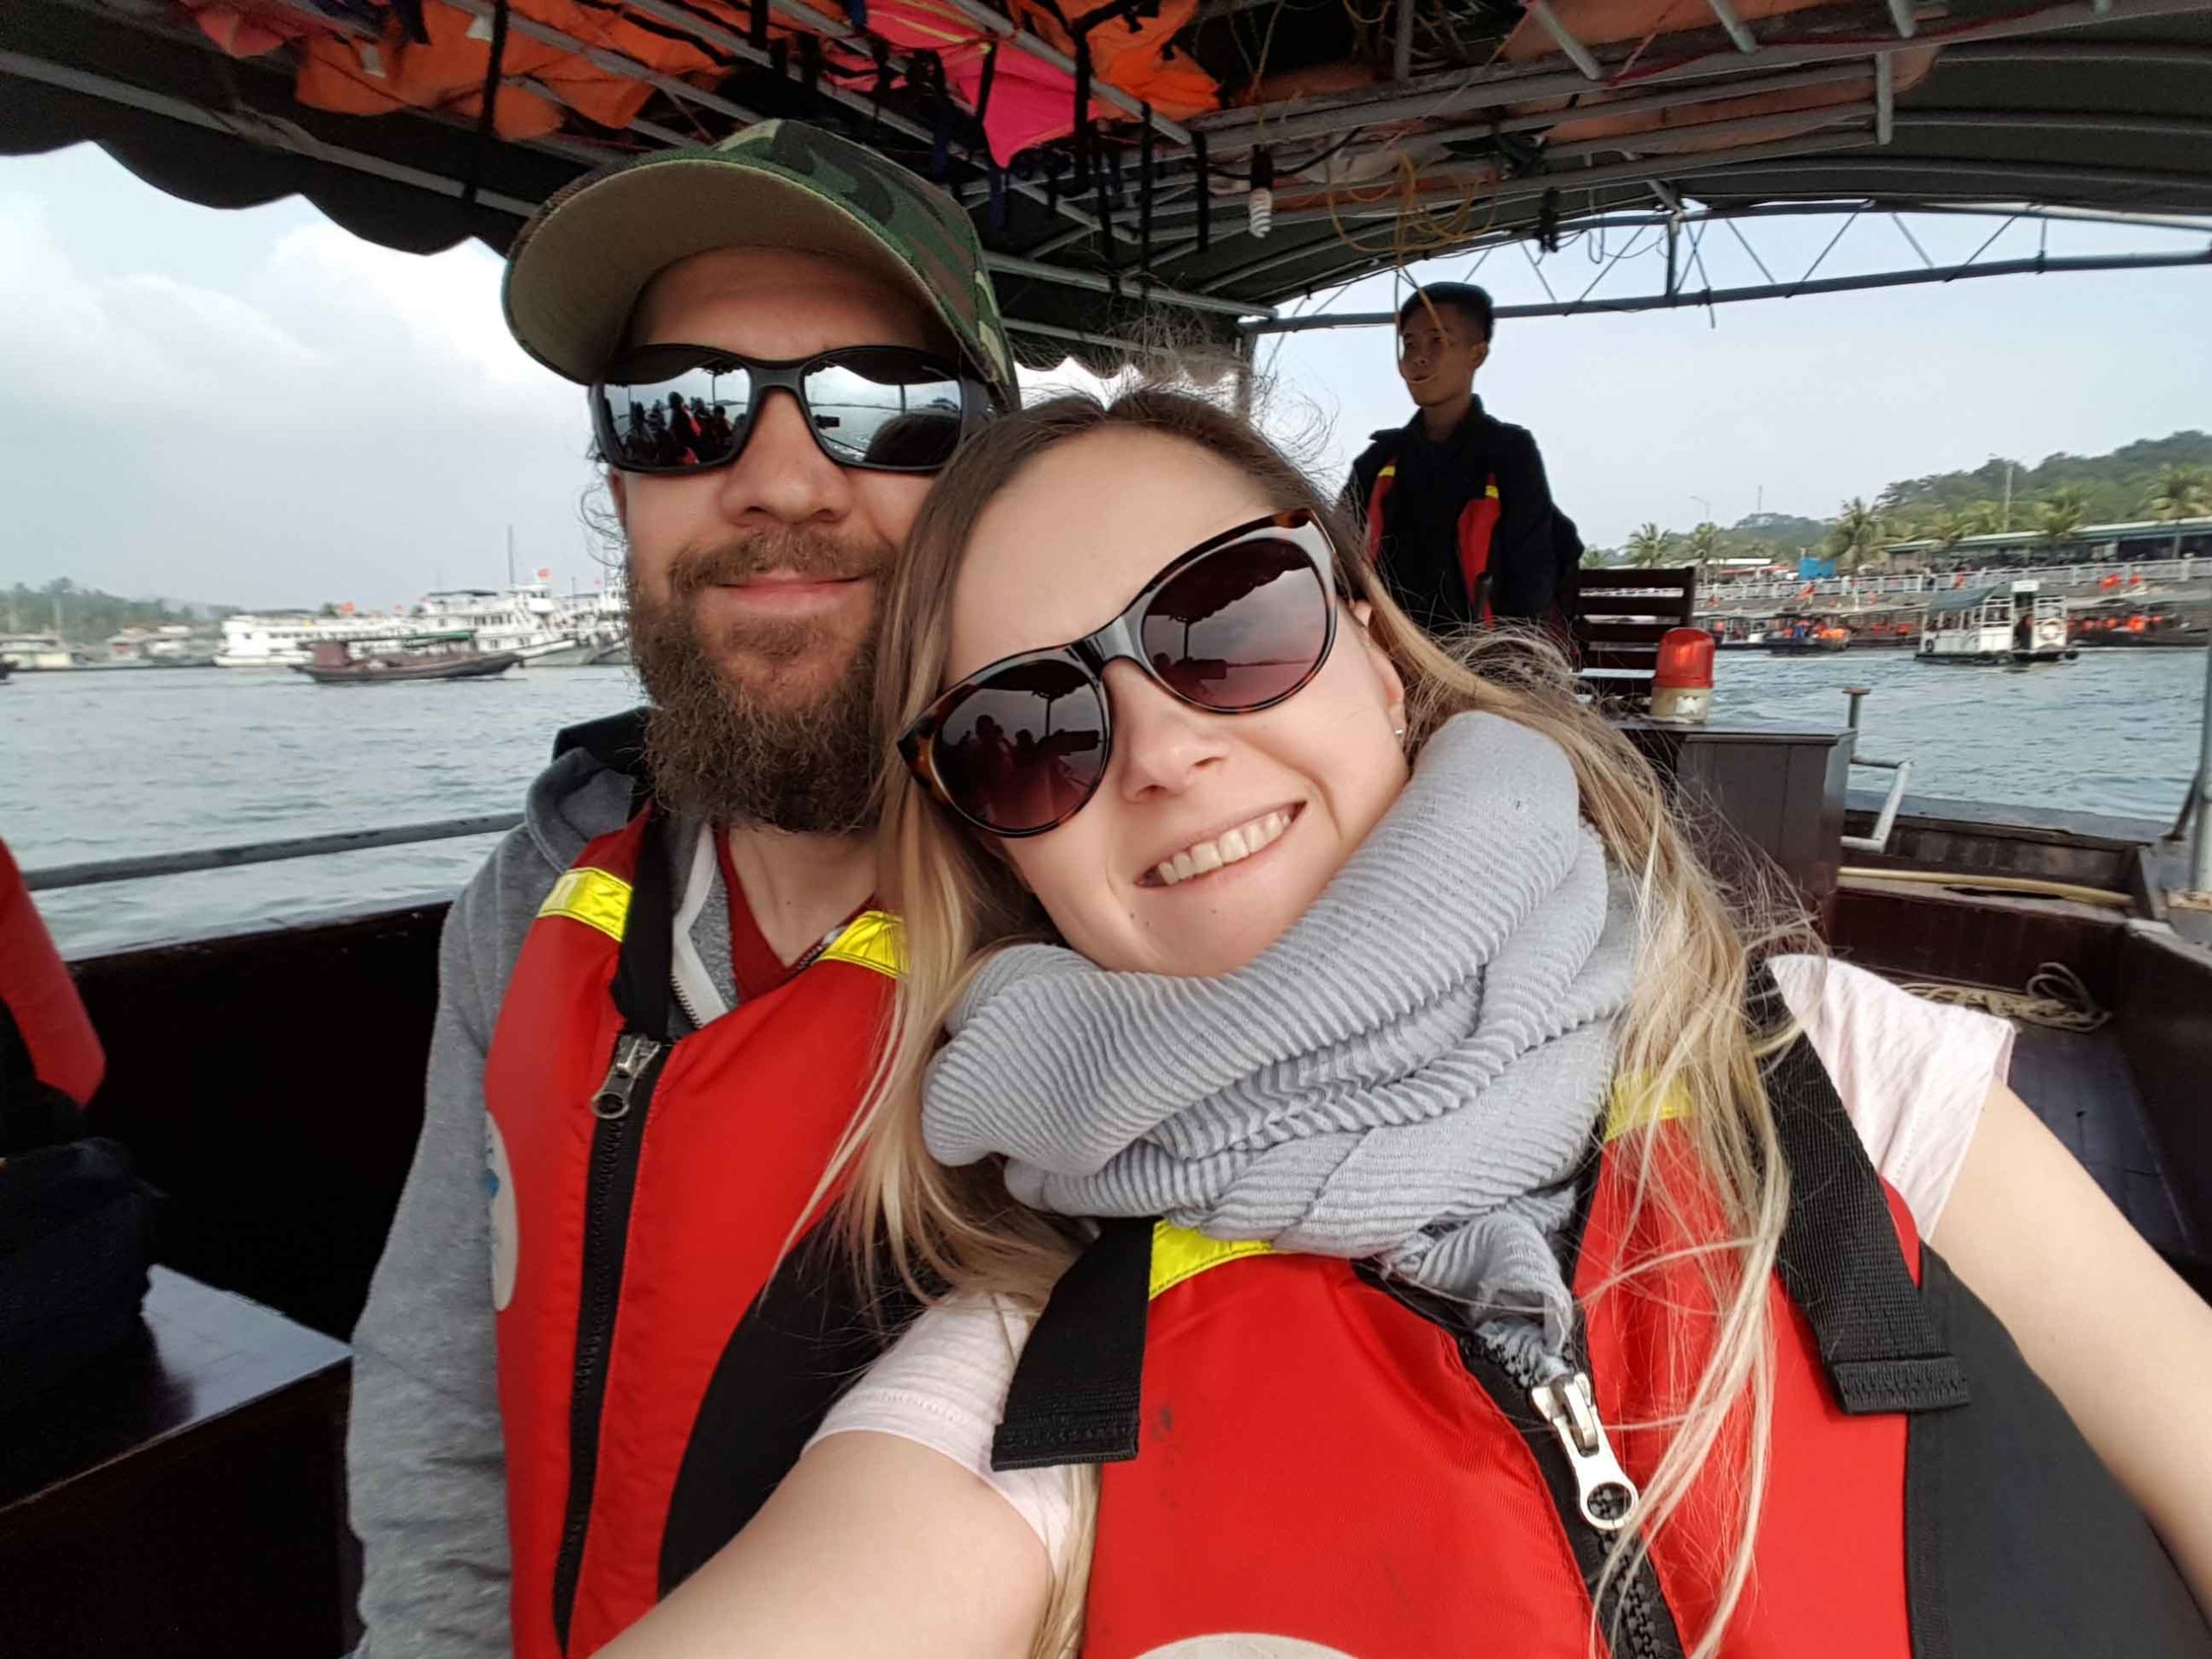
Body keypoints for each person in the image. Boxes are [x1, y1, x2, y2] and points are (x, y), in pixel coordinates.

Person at [601, 388, 2212, 1659]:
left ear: (1376, 650)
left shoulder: (1840, 1069)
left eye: (1228, 623)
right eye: (1035, 730)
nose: (1162, 750)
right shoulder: (1018, 1393)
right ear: (996, 849)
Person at [344, 119, 1018, 1659]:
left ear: (991, 478)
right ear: (621, 489)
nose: (778, 476)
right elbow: (442, 1402)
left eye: (883, 409)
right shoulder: (530, 909)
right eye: (680, 413)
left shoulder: (1119, 937)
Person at [1344, 283, 1581, 638]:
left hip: (1483, 660)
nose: (1419, 356)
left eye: (1437, 341)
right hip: (1390, 657)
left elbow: (1531, 579)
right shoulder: (1379, 461)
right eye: (1410, 344)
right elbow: (1340, 559)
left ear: (1477, 354)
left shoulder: (1509, 453)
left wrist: (1506, 666)